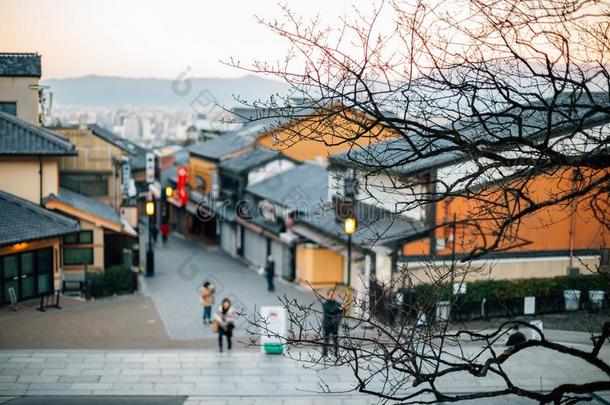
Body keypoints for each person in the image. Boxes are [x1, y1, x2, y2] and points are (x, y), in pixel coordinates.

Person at [322, 289, 343, 358]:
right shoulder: (325, 304)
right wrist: (337, 310)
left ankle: (336, 354)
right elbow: (329, 310)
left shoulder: (338, 304)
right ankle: (325, 353)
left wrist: (337, 311)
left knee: (335, 340)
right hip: (327, 324)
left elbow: (340, 313)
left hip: (335, 325)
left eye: (333, 295)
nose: (332, 296)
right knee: (326, 340)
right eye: (331, 295)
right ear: (328, 295)